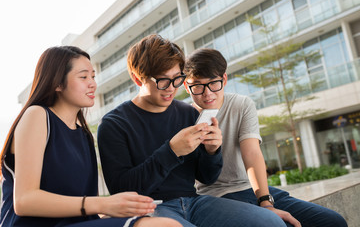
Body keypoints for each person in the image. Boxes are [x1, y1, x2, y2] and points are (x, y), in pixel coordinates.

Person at [97, 34, 288, 227]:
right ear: (138, 79)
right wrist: (171, 151)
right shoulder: (114, 124)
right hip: (151, 208)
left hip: (195, 203)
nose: (171, 89)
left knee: (271, 223)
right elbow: (122, 190)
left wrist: (212, 151)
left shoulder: (187, 113)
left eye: (177, 79)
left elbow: (206, 177)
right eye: (163, 81)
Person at [0, 46, 181, 227]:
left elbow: (84, 208)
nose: (93, 83)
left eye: (93, 76)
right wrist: (104, 204)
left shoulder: (84, 134)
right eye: (83, 77)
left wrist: (119, 208)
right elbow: (24, 201)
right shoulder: (37, 115)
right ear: (57, 83)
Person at [183, 48, 348, 227]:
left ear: (224, 79)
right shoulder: (183, 117)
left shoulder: (241, 104)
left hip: (252, 190)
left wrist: (265, 201)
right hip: (216, 197)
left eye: (213, 83)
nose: (207, 93)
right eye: (197, 86)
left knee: (332, 222)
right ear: (186, 86)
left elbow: (252, 154)